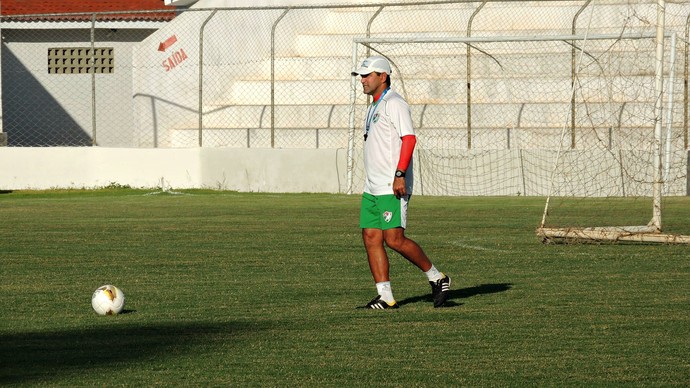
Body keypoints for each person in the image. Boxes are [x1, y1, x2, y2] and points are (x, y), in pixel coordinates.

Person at [351, 55, 451, 309]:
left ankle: (437, 277)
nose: (362, 80)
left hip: (390, 184)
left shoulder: (394, 103)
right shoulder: (373, 106)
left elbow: (409, 139)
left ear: (382, 77)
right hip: (372, 186)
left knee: (394, 239)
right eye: (361, 76)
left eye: (367, 75)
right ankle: (385, 296)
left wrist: (399, 175)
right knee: (371, 236)